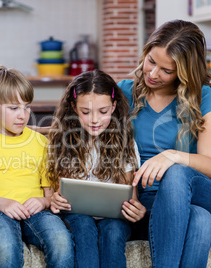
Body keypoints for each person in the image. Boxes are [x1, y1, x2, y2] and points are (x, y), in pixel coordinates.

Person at [118, 19, 211, 267]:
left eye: (166, 70)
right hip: (151, 202)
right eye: (151, 61)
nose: (152, 73)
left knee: (177, 172)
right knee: (200, 220)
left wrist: (173, 155)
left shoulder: (203, 96)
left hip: (207, 197)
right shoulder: (124, 92)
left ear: (184, 71)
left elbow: (210, 165)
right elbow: (89, 133)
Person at [0, 66, 74, 268]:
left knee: (61, 241)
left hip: (36, 212)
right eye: (14, 108)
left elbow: (50, 195)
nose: (23, 115)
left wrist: (42, 201)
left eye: (26, 107)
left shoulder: (40, 142)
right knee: (5, 245)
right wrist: (1, 203)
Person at [48, 69, 146, 268]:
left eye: (103, 112)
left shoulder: (124, 140)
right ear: (74, 108)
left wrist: (136, 210)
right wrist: (55, 199)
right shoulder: (64, 140)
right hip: (77, 216)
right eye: (86, 112)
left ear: (114, 107)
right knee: (83, 226)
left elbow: (129, 195)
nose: (94, 120)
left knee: (113, 231)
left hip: (113, 218)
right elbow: (62, 190)